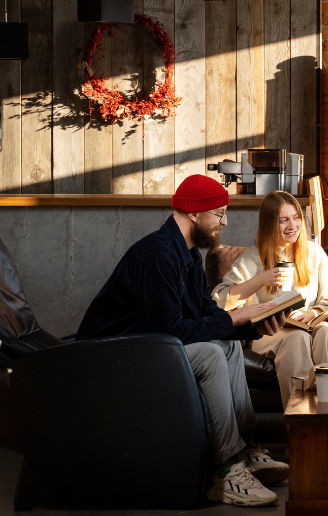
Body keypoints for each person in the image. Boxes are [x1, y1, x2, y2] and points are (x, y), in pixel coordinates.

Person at [77, 175, 288, 508]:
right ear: (194, 214)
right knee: (209, 354)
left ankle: (245, 449)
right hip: (113, 359)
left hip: (147, 347)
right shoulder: (158, 255)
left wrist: (254, 326)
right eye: (219, 214)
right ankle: (226, 471)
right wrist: (233, 318)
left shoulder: (186, 253)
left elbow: (205, 314)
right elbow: (171, 331)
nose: (225, 222)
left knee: (229, 345)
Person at [213, 191, 328, 407]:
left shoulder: (314, 253)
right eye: (283, 220)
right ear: (268, 224)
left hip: (309, 326)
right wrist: (261, 279)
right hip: (270, 332)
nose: (291, 225)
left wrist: (311, 313)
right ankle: (301, 421)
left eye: (296, 217)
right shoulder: (253, 258)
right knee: (297, 338)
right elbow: (221, 299)